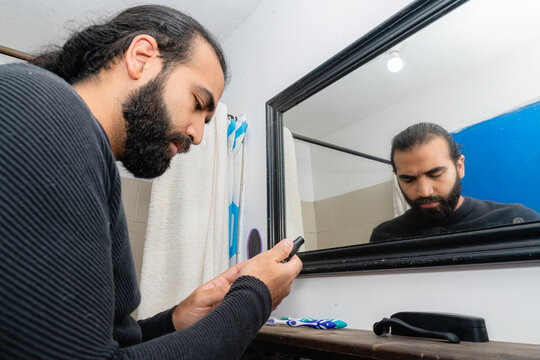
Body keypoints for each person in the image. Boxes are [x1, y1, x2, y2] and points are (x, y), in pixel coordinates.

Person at [0, 5, 302, 359]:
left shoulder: (76, 139)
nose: (199, 135)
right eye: (198, 103)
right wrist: (256, 295)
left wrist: (174, 320)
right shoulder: (46, 105)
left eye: (208, 119)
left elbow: (97, 345)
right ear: (141, 57)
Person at [370, 122, 540, 243]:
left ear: (459, 167)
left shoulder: (516, 220)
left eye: (435, 174)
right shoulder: (385, 235)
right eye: (408, 179)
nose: (424, 191)